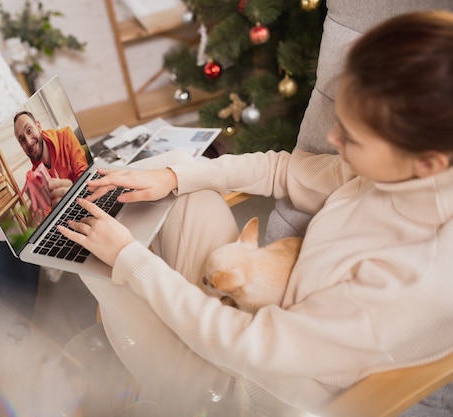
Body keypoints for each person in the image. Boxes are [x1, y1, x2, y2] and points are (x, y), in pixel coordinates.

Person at [57, 11, 453, 415]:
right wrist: (172, 176)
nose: (333, 139)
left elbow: (250, 347)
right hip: (267, 314)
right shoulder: (402, 174)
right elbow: (284, 170)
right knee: (176, 172)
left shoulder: (411, 278)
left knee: (100, 255)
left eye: (352, 137)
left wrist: (132, 261)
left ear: (428, 162)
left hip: (254, 390)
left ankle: (63, 224)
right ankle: (78, 205)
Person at [13, 111, 88, 224]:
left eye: (29, 130)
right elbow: (48, 216)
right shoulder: (35, 179)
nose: (28, 142)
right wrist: (37, 221)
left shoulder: (66, 135)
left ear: (38, 126)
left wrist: (71, 193)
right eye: (22, 139)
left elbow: (85, 177)